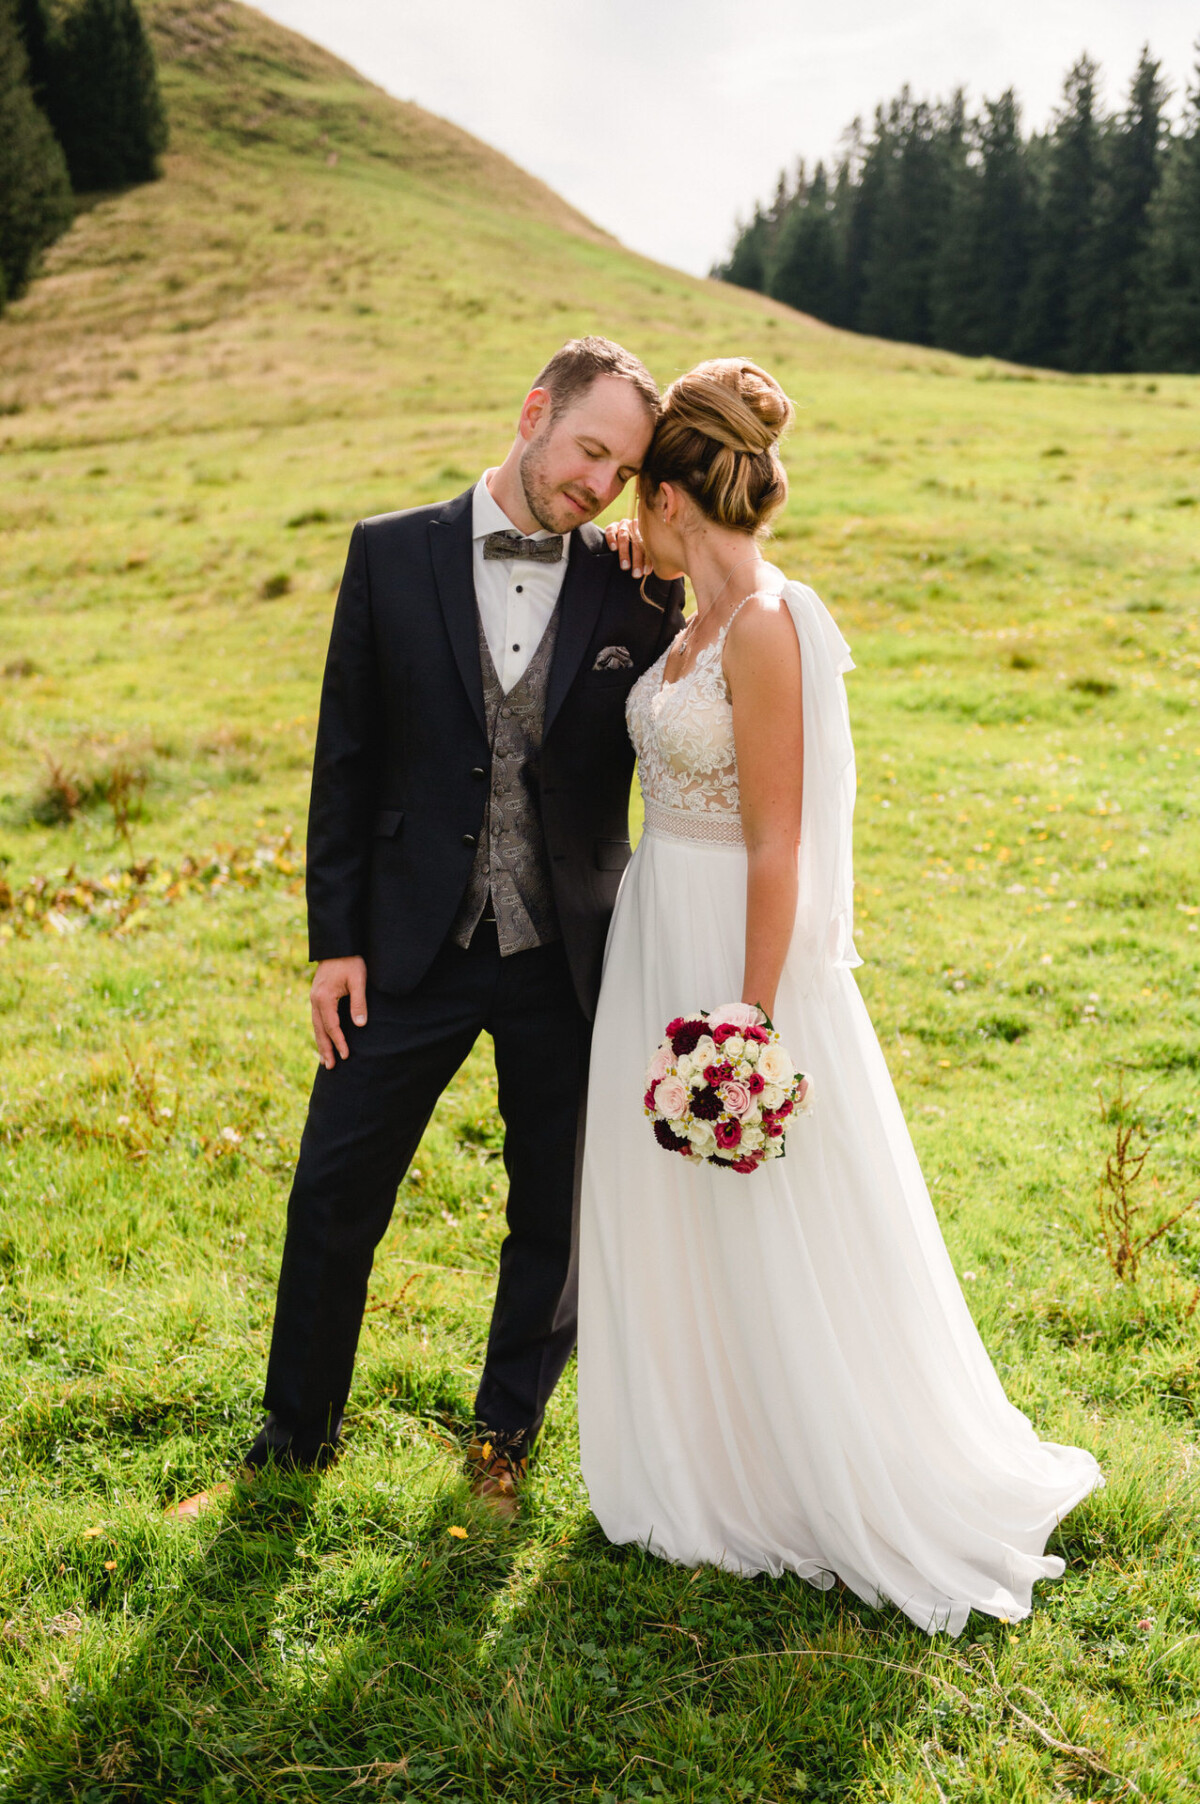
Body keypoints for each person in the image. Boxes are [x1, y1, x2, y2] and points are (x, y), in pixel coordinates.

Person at [578, 357, 1101, 1633]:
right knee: (675, 1204)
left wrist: (747, 1020)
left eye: (635, 495)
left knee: (775, 1214)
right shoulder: (690, 623)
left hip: (733, 949)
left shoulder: (763, 626)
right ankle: (705, 1448)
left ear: (670, 495)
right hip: (657, 922)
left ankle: (810, 1463)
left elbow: (779, 842)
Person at [175, 337, 684, 1520]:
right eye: (589, 449)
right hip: (403, 946)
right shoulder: (389, 552)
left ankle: (503, 1439)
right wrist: (332, 942)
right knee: (333, 1192)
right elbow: (343, 759)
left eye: (622, 468)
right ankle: (294, 1441)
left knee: (550, 1210)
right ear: (533, 413)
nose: (600, 482)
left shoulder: (634, 584)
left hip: (568, 952)